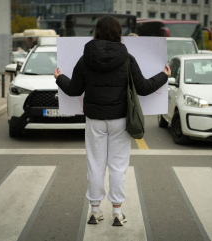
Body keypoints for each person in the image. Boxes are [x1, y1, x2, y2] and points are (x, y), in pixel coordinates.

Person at [54, 16, 171, 227]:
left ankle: (95, 211)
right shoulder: (127, 59)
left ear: (96, 32)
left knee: (95, 165)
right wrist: (164, 75)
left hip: (94, 121)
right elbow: (144, 87)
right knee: (118, 166)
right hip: (120, 120)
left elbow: (73, 90)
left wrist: (59, 78)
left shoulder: (85, 58)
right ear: (118, 33)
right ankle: (117, 212)